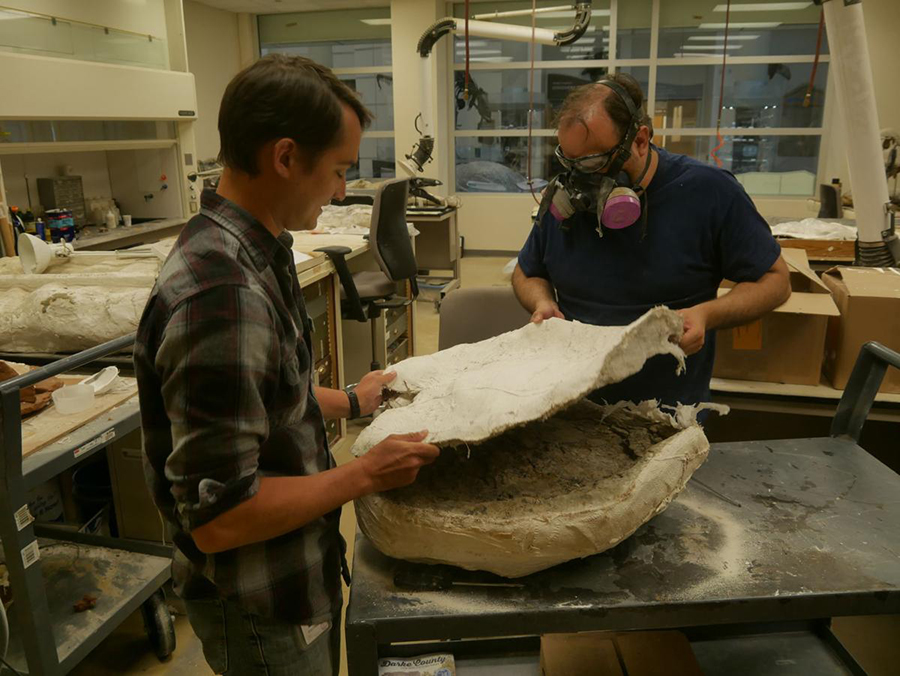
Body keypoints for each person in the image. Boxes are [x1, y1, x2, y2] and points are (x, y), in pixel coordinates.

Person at [134, 55, 440, 675]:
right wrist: (365, 475)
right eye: (337, 171)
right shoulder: (222, 295)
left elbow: (275, 395)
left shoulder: (256, 250)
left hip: (293, 572)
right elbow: (220, 519)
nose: (339, 191)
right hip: (260, 601)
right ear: (285, 157)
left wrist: (354, 401)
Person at [513, 73, 791, 407]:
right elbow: (527, 271)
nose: (579, 180)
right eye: (569, 162)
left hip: (666, 413)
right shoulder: (566, 203)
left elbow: (776, 281)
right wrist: (541, 303)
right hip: (573, 404)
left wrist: (706, 314)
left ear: (640, 140)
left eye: (595, 162)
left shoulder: (709, 193)